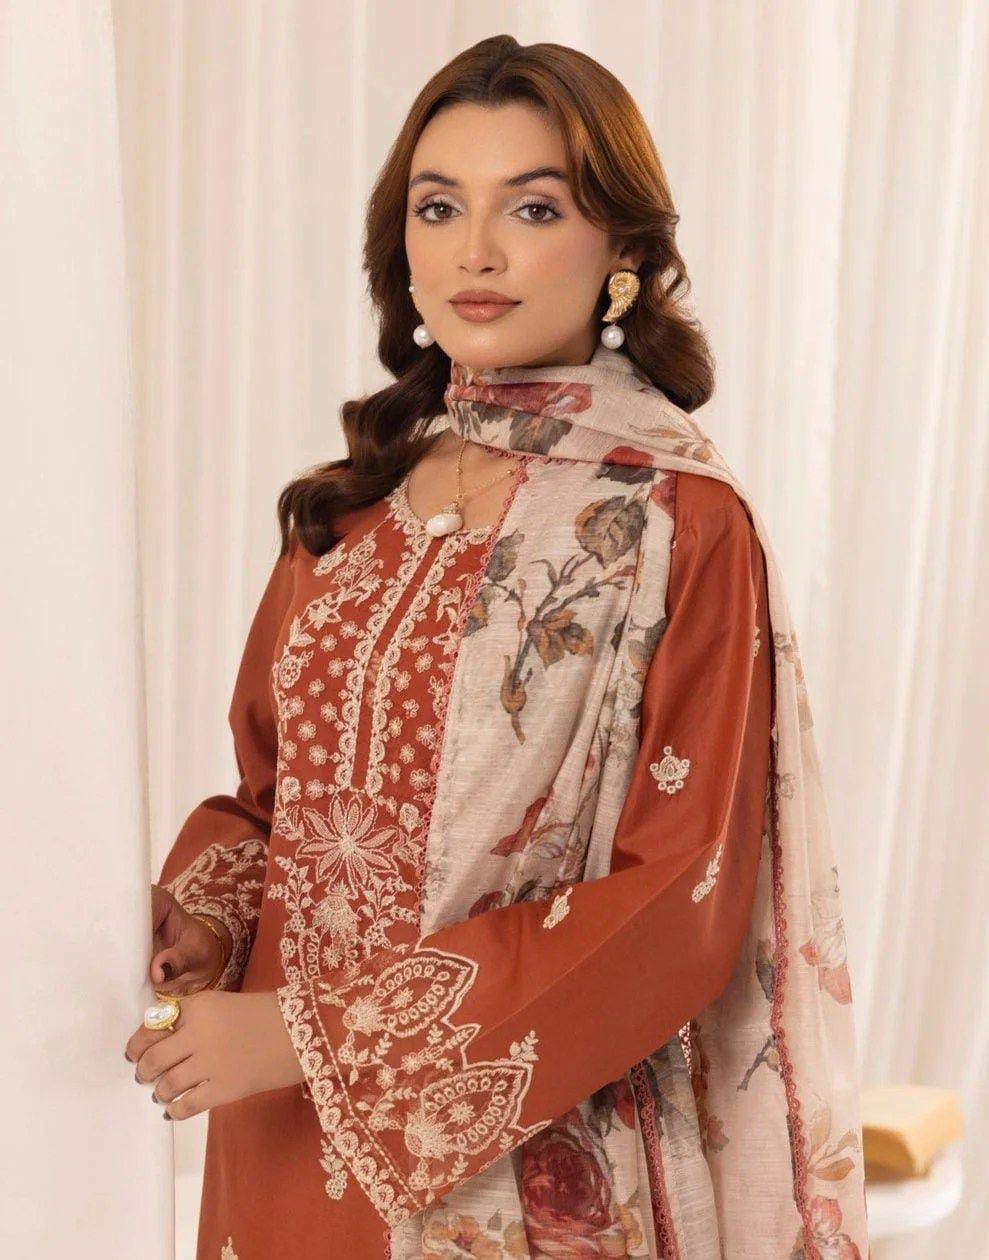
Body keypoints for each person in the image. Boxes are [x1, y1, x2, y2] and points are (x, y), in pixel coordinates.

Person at [124, 34, 870, 1260]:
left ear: (621, 252)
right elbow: (272, 801)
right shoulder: (350, 513)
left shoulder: (675, 522)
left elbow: (679, 893)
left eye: (531, 207)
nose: (475, 251)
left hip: (524, 1150)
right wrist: (202, 921)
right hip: (277, 1135)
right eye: (438, 207)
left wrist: (314, 1038)